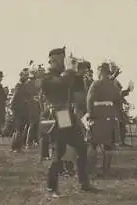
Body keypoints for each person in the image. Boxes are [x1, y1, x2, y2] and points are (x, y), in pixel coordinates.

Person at [40, 48, 96, 197]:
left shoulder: (63, 75)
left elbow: (75, 88)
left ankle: (84, 182)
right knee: (59, 152)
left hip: (66, 114)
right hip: (57, 115)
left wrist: (77, 72)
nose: (63, 63)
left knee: (81, 147)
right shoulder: (47, 77)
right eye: (60, 60)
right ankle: (52, 187)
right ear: (52, 60)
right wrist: (71, 70)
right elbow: (62, 83)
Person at [85, 62, 123, 176]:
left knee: (93, 143)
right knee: (108, 144)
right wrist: (115, 114)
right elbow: (118, 101)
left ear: (100, 71)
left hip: (97, 114)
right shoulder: (113, 85)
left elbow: (89, 100)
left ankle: (91, 169)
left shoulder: (96, 84)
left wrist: (90, 114)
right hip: (110, 115)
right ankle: (106, 169)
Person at [110, 62, 132, 148]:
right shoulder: (108, 80)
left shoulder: (116, 82)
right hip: (112, 106)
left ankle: (121, 141)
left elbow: (120, 94)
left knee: (122, 124)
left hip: (119, 105)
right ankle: (113, 142)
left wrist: (126, 92)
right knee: (115, 124)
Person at [10, 69, 30, 152]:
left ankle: (15, 146)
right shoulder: (20, 86)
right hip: (19, 110)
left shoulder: (21, 85)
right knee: (19, 129)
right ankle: (17, 147)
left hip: (19, 110)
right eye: (25, 75)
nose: (27, 77)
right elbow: (15, 98)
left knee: (18, 129)